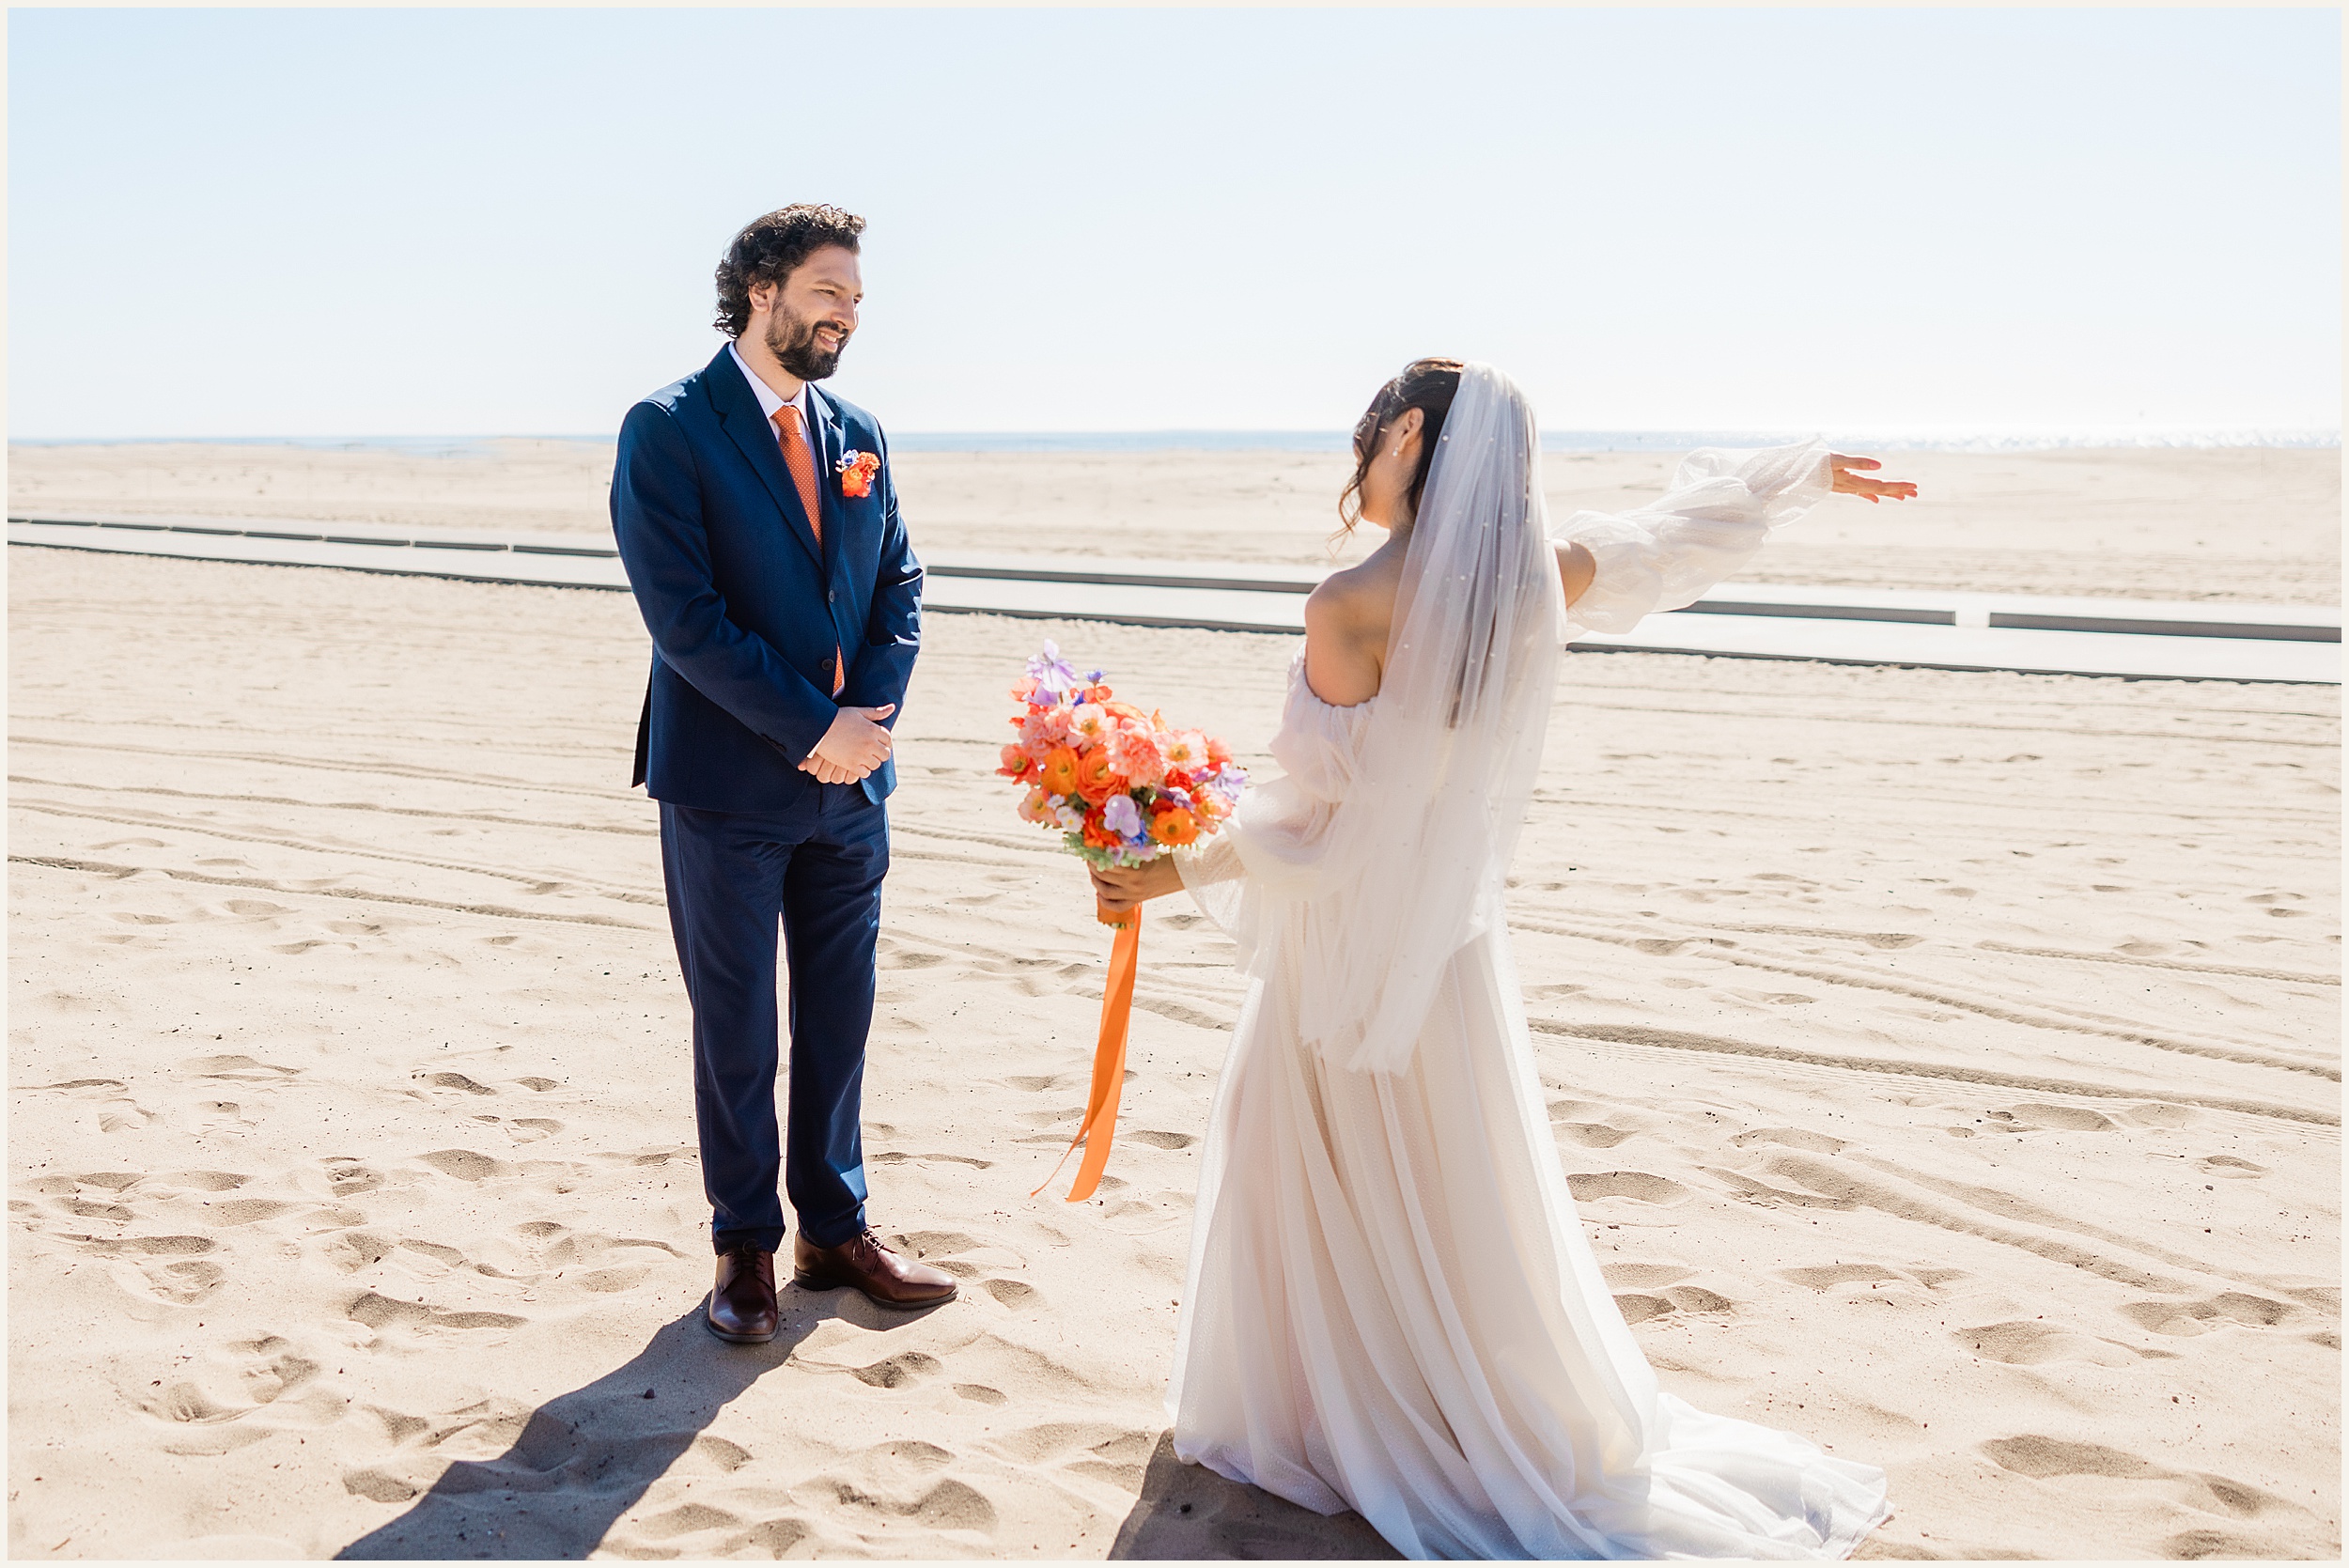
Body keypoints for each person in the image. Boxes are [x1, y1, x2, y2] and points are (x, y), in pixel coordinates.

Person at [1091, 359, 1918, 1558]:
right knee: (1457, 1183)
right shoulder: (1538, 579)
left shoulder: (1348, 602)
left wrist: (1173, 864)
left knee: (1311, 1168)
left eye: (1366, 434)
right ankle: (1460, 1401)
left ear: (1409, 434)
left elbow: (1320, 819)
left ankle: (1345, 1417)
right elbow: (1665, 537)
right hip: (1451, 952)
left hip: (1351, 948)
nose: (1356, 459)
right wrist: (1797, 476)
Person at [611, 204, 953, 1345]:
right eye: (827, 291)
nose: (847, 314)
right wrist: (815, 726)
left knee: (840, 1016)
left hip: (853, 788)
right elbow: (687, 621)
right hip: (726, 786)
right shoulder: (666, 428)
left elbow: (899, 582)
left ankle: (835, 1228)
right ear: (761, 289)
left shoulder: (859, 429)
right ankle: (744, 1247)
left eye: (855, 297)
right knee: (739, 1025)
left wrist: (870, 719)